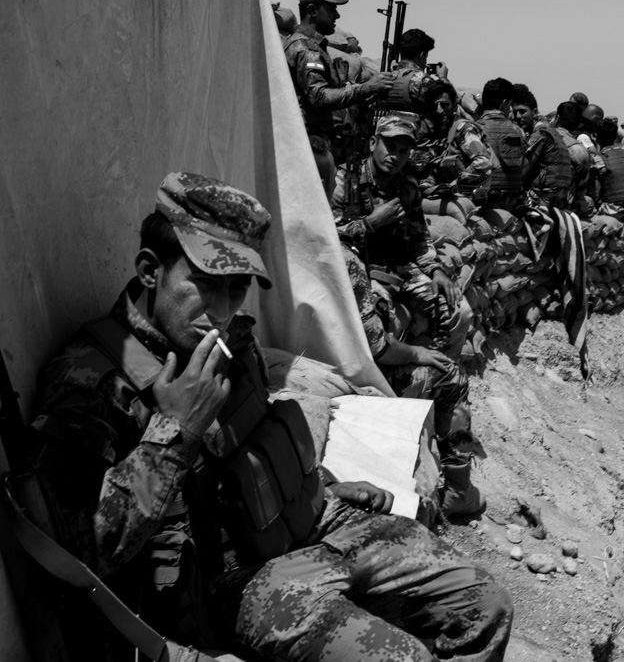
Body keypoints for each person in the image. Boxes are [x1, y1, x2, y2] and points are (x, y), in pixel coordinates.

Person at [28, 171, 513, 660]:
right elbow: (76, 553)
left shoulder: (231, 341)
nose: (220, 310)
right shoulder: (92, 381)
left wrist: (316, 485)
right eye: (205, 284)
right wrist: (176, 431)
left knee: (486, 605)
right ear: (151, 270)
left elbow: (252, 445)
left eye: (237, 288)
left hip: (309, 527)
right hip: (232, 584)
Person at [341, 243, 484, 517]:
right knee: (450, 375)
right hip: (353, 381)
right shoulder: (344, 257)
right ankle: (459, 491)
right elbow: (378, 347)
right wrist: (414, 353)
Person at [331, 115, 473, 365]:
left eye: (403, 151)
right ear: (374, 142)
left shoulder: (408, 187)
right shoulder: (345, 181)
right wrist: (370, 224)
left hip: (402, 270)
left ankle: (441, 377)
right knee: (378, 318)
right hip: (361, 273)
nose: (395, 156)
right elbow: (328, 240)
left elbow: (420, 240)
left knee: (459, 311)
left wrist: (437, 270)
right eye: (390, 147)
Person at [284, 0, 393, 169]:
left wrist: (370, 91)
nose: (337, 16)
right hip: (311, 146)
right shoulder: (307, 48)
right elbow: (318, 97)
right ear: (312, 11)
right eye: (331, 9)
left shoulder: (313, 46)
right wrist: (367, 88)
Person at [410, 81, 494, 204]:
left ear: (454, 106)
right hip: (440, 200)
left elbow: (483, 162)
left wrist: (453, 186)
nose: (439, 110)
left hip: (464, 200)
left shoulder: (465, 130)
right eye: (435, 106)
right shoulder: (436, 133)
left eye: (444, 105)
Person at [511, 83, 573, 210]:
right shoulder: (551, 131)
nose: (518, 117)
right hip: (559, 199)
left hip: (542, 199)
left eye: (522, 112)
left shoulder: (540, 134)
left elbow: (522, 174)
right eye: (515, 112)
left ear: (534, 112)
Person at [476, 77, 527, 211]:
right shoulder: (519, 131)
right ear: (504, 103)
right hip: (511, 203)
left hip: (483, 202)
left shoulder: (474, 130)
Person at [379, 28, 449, 116]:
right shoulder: (421, 80)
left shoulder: (386, 77)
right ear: (422, 56)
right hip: (411, 128)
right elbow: (447, 105)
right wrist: (443, 78)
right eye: (426, 57)